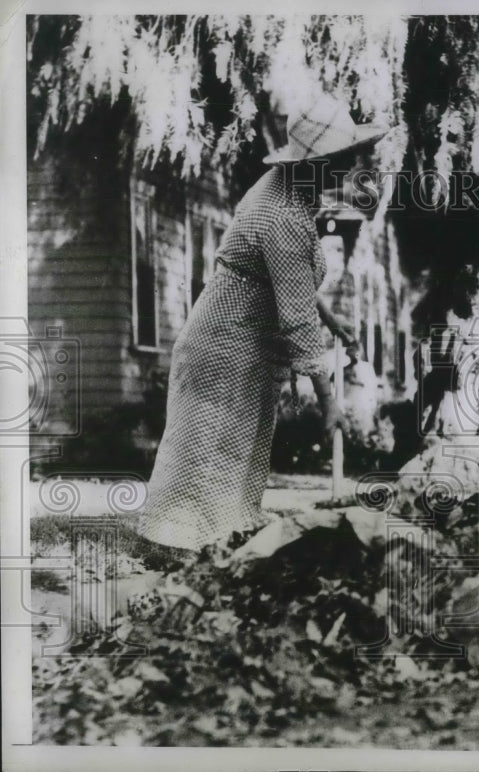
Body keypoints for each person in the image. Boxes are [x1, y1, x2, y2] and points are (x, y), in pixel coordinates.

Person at [138, 95, 388, 566]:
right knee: (204, 453)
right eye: (341, 161)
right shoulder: (284, 216)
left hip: (246, 344)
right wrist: (329, 400)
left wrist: (333, 320)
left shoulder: (289, 190)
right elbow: (295, 320)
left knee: (238, 456)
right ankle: (173, 556)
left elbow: (285, 280)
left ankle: (218, 555)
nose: (349, 169)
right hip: (224, 345)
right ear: (316, 163)